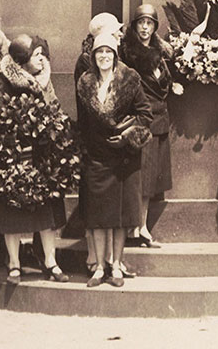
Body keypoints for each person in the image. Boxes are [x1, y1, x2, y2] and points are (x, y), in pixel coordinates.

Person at [0, 34, 76, 285]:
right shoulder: (3, 81)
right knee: (11, 211)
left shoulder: (45, 80)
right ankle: (13, 263)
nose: (42, 59)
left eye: (43, 54)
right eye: (36, 55)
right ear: (22, 61)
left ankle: (51, 262)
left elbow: (55, 109)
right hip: (15, 154)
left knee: (47, 212)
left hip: (41, 154)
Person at [77, 30, 153, 287]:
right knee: (98, 217)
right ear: (93, 55)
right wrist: (85, 151)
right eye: (100, 52)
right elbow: (84, 122)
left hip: (124, 158)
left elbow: (145, 114)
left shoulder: (130, 79)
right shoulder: (85, 82)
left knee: (120, 217)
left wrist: (127, 137)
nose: (104, 56)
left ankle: (117, 266)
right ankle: (99, 267)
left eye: (108, 51)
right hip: (97, 157)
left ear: (115, 55)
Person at [119, 3, 175, 247]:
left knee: (151, 180)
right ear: (134, 26)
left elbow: (162, 81)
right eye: (141, 23)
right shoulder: (127, 52)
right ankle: (135, 228)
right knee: (140, 178)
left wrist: (172, 86)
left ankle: (141, 226)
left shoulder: (159, 52)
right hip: (142, 122)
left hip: (160, 120)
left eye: (150, 23)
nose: (145, 28)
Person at [74, 11, 123, 274]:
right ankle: (93, 256)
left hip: (108, 145)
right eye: (116, 30)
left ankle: (110, 259)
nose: (120, 34)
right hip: (94, 141)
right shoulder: (86, 63)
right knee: (93, 205)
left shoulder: (113, 58)